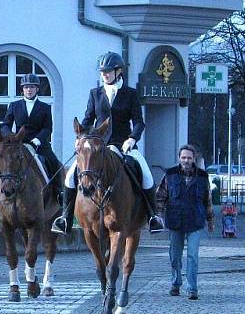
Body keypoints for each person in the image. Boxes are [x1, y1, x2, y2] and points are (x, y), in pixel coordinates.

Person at [52, 51, 165, 235]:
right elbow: (88, 119)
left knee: (146, 173)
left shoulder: (130, 94)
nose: (104, 74)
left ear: (118, 71)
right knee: (70, 175)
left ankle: (153, 217)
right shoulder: (95, 94)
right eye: (102, 71)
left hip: (124, 145)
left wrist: (132, 138)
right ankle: (65, 218)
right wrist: (80, 138)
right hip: (98, 145)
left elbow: (138, 122)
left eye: (108, 71)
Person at [0, 74, 62, 207]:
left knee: (55, 163)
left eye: (32, 87)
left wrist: (38, 139)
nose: (29, 90)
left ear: (37, 89)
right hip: (18, 142)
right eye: (26, 87)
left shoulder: (45, 107)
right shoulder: (14, 105)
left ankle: (59, 192)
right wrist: (11, 137)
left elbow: (48, 128)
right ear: (23, 89)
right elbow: (5, 125)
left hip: (38, 143)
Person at [156, 144, 214, 301]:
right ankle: (176, 283)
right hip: (175, 220)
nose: (186, 160)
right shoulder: (169, 174)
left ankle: (192, 288)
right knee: (174, 256)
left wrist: (210, 221)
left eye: (189, 158)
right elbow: (160, 197)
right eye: (183, 158)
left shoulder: (202, 176)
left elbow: (207, 200)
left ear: (193, 158)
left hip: (195, 220)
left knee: (192, 256)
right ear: (179, 158)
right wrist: (159, 217)